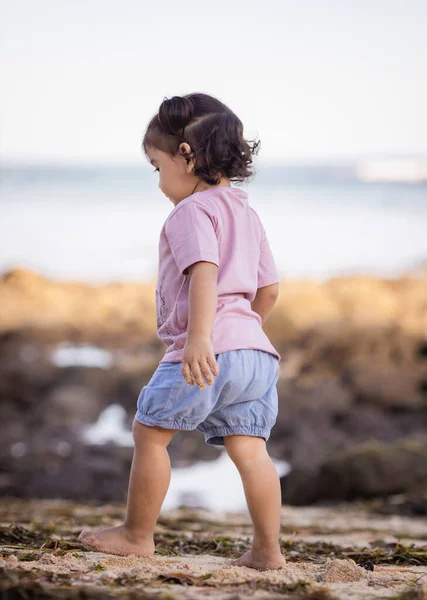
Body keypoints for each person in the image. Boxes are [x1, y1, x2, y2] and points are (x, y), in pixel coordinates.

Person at [79, 93, 285, 571]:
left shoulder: (191, 212)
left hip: (208, 346)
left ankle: (136, 534)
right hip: (256, 353)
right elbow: (269, 290)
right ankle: (267, 550)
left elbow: (205, 271)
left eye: (157, 166)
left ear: (186, 157)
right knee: (251, 450)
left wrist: (200, 338)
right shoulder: (247, 214)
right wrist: (243, 335)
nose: (159, 181)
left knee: (150, 432)